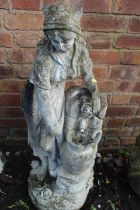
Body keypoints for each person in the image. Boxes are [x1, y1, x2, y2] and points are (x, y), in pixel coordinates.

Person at [22, 5, 101, 181]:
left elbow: (89, 77)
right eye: (55, 41)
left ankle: (56, 162)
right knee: (43, 133)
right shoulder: (44, 57)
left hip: (59, 92)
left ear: (75, 35)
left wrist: (94, 90)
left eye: (66, 40)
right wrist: (51, 122)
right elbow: (43, 94)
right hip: (44, 96)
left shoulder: (79, 51)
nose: (60, 45)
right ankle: (45, 161)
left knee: (59, 133)